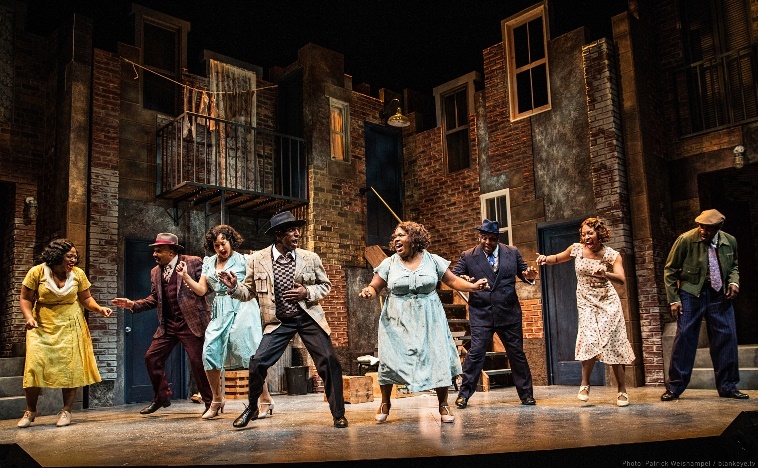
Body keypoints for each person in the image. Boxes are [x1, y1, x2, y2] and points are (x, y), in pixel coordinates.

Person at [219, 211, 349, 428]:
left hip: (308, 318)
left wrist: (306, 292)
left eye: (297, 230)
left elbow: (325, 286)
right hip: (279, 321)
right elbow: (248, 292)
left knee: (329, 360)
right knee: (257, 362)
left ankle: (338, 413)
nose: (297, 234)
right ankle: (252, 407)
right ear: (278, 235)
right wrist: (234, 287)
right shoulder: (257, 259)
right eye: (291, 230)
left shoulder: (310, 258)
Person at [359, 221, 489, 424]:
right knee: (390, 360)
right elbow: (376, 284)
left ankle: (443, 404)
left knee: (438, 357)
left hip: (430, 317)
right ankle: (385, 402)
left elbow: (453, 281)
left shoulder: (433, 261)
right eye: (394, 237)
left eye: (401, 235)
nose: (396, 240)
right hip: (397, 320)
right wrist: (370, 291)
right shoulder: (389, 263)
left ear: (414, 238)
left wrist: (473, 287)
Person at [177, 224, 273, 419]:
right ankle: (217, 399)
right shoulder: (209, 262)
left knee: (248, 352)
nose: (221, 248)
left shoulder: (244, 260)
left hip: (242, 306)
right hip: (220, 308)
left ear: (231, 242)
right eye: (216, 245)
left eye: (223, 243)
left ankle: (265, 399)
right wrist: (185, 276)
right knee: (209, 351)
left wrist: (257, 264)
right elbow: (202, 290)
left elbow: (258, 281)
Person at [537, 217, 635, 407]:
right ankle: (585, 383)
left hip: (608, 302)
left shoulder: (611, 255)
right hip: (586, 302)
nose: (586, 237)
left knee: (613, 343)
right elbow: (558, 258)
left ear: (599, 233)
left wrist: (605, 273)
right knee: (589, 339)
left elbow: (622, 279)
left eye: (590, 233)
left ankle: (622, 389)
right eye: (583, 234)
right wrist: (544, 259)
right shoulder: (576, 249)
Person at [112, 233, 213, 414]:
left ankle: (210, 403)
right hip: (169, 324)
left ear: (171, 251)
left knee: (198, 362)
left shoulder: (193, 262)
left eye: (159, 250)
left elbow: (207, 288)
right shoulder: (155, 271)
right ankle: (162, 397)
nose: (155, 254)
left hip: (191, 322)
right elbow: (154, 299)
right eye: (155, 250)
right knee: (152, 358)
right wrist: (133, 304)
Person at [17, 239, 113, 428]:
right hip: (42, 324)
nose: (74, 260)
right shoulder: (37, 272)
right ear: (56, 256)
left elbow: (86, 298)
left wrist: (99, 309)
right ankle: (31, 410)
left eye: (75, 256)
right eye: (70, 256)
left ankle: (66, 410)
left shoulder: (78, 274)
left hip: (70, 323)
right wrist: (28, 317)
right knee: (34, 365)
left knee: (70, 368)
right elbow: (25, 298)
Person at [660, 209, 748, 401]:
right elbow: (670, 270)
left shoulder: (729, 241)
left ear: (718, 228)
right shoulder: (685, 240)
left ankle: (728, 386)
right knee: (685, 337)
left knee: (727, 336)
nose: (702, 230)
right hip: (691, 292)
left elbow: (733, 265)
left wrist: (734, 281)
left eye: (707, 228)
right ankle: (675, 387)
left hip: (719, 293)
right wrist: (674, 300)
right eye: (700, 226)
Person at [453, 219, 538, 410]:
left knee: (517, 354)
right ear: (480, 237)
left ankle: (526, 395)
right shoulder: (468, 256)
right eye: (484, 238)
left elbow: (524, 272)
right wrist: (464, 279)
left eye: (491, 239)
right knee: (475, 354)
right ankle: (464, 395)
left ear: (497, 238)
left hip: (509, 313)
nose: (487, 242)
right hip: (481, 313)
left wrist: (529, 276)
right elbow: (455, 276)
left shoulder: (512, 252)